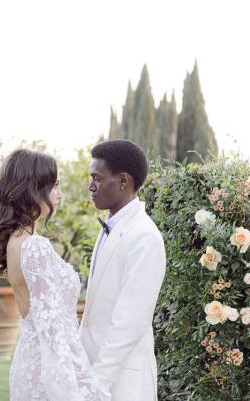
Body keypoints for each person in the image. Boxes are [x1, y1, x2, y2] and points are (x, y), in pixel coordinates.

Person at [0, 149, 111, 401]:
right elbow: (53, 332)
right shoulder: (35, 247)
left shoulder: (17, 240)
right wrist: (80, 389)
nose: (61, 196)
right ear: (32, 189)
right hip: (47, 370)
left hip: (31, 362)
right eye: (54, 186)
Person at [79, 140, 166, 401]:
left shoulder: (145, 236)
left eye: (97, 178)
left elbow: (130, 321)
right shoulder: (110, 226)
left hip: (123, 382)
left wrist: (96, 384)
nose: (91, 186)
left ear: (123, 181)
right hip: (92, 371)